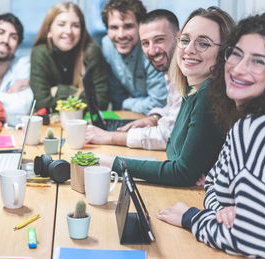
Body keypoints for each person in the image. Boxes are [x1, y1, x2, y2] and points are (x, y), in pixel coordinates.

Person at [157, 13, 265, 259]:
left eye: (259, 61)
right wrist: (229, 208)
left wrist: (192, 217)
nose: (239, 68)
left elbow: (248, 239)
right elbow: (214, 189)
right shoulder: (256, 121)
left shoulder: (260, 130)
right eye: (236, 55)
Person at [100, 7, 235, 187]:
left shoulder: (209, 93)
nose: (189, 49)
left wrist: (113, 164)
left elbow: (181, 172)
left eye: (203, 43)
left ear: (225, 52)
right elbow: (172, 146)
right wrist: (183, 168)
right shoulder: (192, 87)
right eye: (185, 40)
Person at [87, 9, 181, 150]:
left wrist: (109, 137)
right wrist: (154, 118)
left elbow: (167, 136)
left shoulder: (187, 72)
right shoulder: (170, 71)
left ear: (179, 36)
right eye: (145, 43)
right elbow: (172, 108)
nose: (152, 51)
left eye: (159, 39)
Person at [30, 2, 110, 112]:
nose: (68, 31)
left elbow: (101, 102)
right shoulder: (40, 53)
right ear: (48, 30)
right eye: (61, 24)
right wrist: (80, 94)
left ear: (81, 31)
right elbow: (41, 104)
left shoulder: (91, 52)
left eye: (75, 25)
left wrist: (59, 91)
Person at [100, 0, 167, 112]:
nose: (121, 35)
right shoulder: (107, 45)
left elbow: (159, 102)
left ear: (141, 27)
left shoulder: (152, 51)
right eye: (114, 27)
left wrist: (126, 103)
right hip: (130, 114)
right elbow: (116, 92)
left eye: (128, 26)